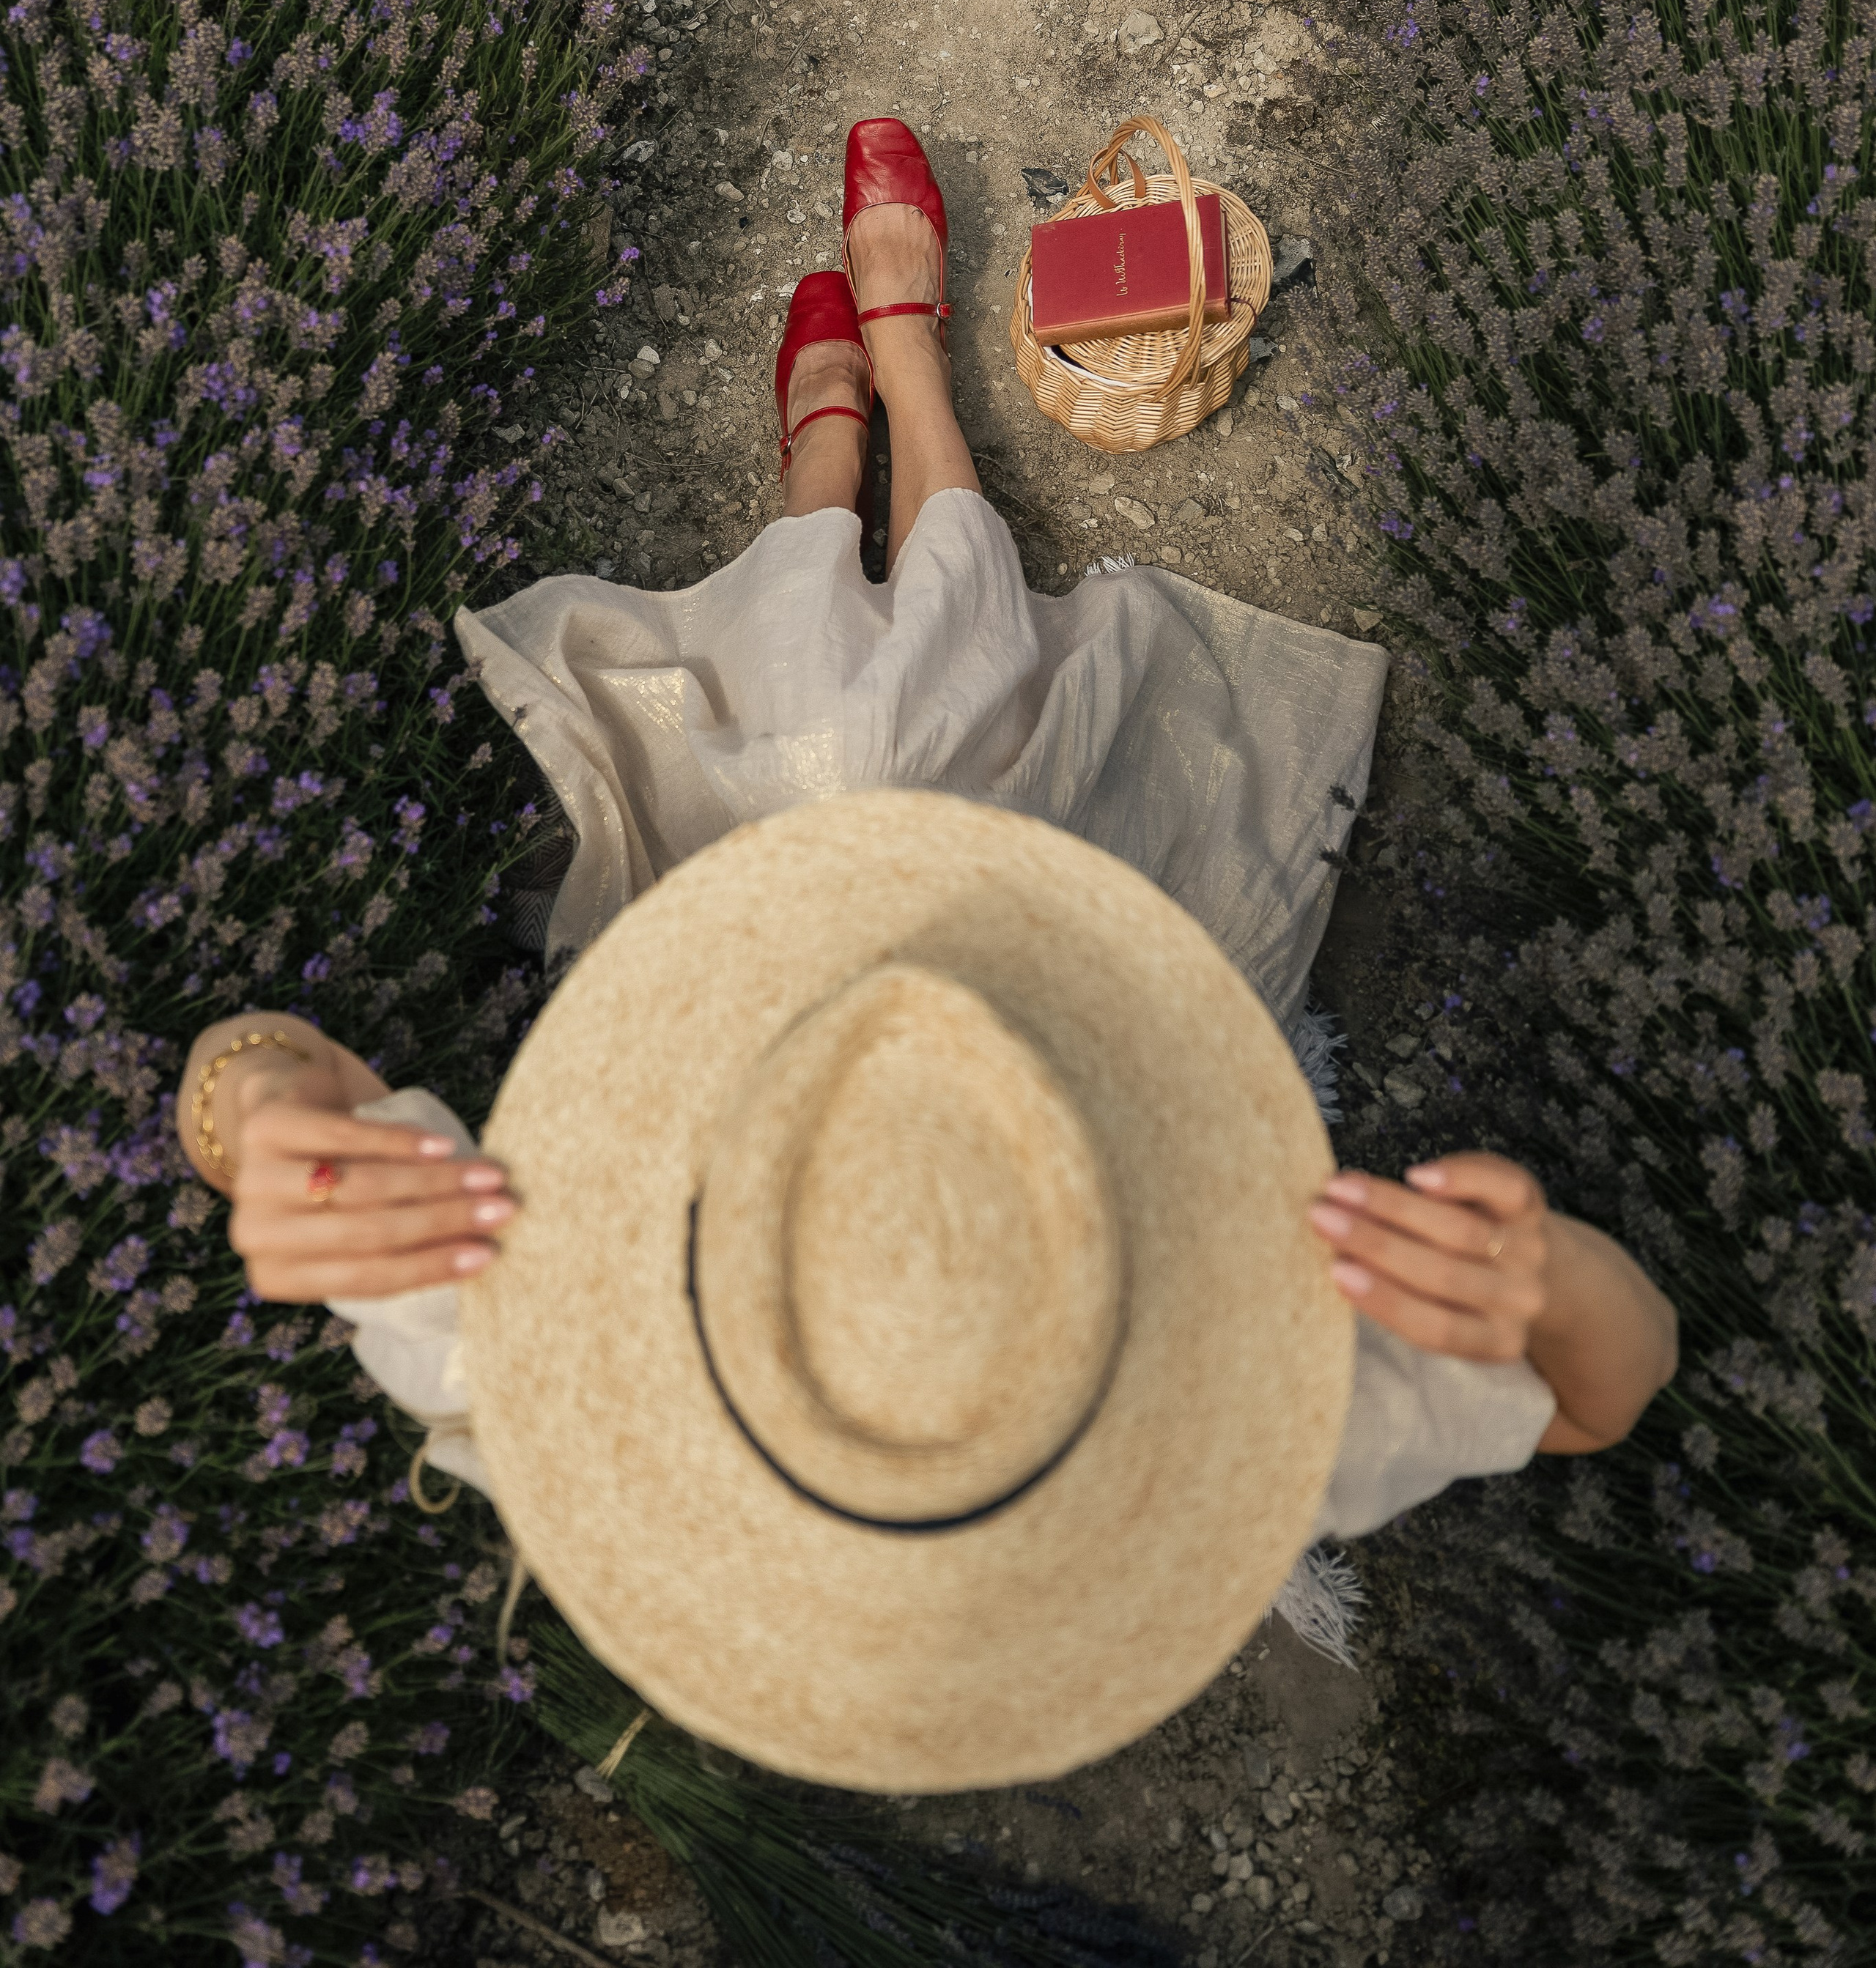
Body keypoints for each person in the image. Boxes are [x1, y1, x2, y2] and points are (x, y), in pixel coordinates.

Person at [175, 119, 1677, 1743]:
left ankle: (829, 468)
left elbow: (258, 1069)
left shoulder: (557, 1361)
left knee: (837, 753)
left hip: (741, 954)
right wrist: (1552, 1278)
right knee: (913, 746)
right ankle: (901, 397)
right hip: (1047, 966)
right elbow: (1601, 1397)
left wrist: (261, 1125)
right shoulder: (1215, 1405)